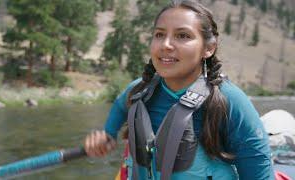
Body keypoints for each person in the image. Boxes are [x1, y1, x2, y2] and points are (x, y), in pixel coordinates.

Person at [84, 0, 274, 179]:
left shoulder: (230, 101)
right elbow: (120, 105)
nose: (166, 45)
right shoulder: (138, 90)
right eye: (159, 34)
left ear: (209, 48)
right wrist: (108, 134)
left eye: (182, 36)